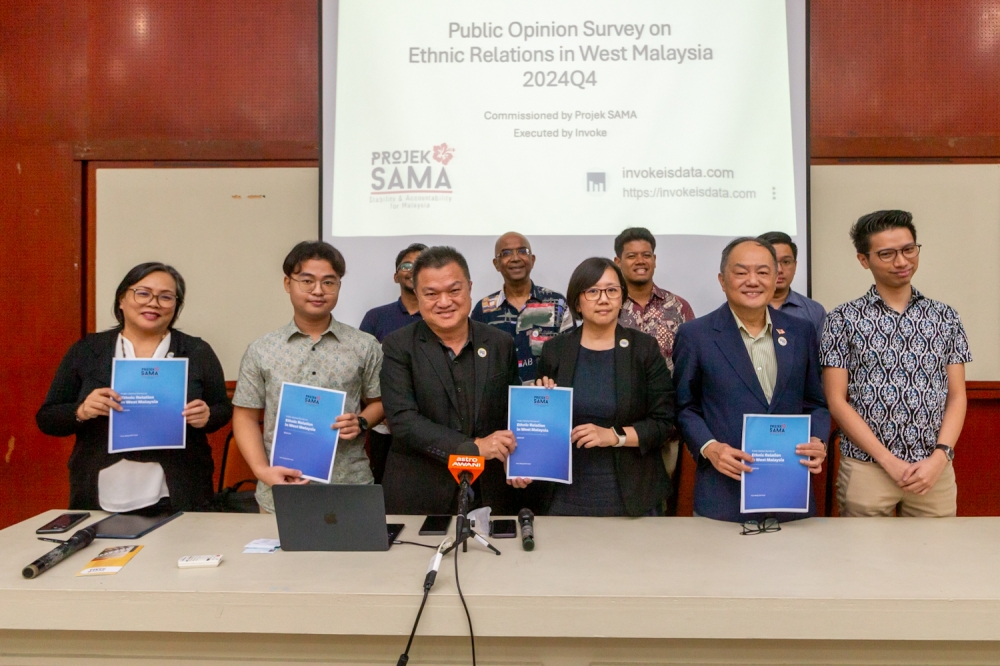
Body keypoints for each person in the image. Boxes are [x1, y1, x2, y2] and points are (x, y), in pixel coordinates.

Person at [36, 262, 231, 512]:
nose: (153, 303)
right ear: (121, 300)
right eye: (143, 293)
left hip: (180, 489)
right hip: (100, 488)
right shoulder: (87, 351)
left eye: (166, 297)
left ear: (176, 306)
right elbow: (47, 418)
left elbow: (222, 410)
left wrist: (207, 416)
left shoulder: (196, 352)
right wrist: (82, 411)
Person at [821, 210, 970, 517]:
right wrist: (887, 460)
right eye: (887, 254)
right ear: (864, 260)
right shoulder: (842, 319)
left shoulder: (946, 316)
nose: (901, 262)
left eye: (908, 249)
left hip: (933, 470)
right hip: (867, 468)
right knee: (865, 563)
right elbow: (836, 401)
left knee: (936, 562)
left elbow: (957, 396)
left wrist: (940, 458)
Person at [673, 238, 830, 523]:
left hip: (790, 494)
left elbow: (816, 402)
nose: (753, 281)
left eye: (763, 272)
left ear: (775, 277)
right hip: (723, 494)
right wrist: (710, 447)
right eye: (741, 272)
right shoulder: (696, 335)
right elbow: (685, 407)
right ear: (722, 280)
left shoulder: (800, 331)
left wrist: (818, 439)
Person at [231, 241, 384, 514]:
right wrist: (262, 472)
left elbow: (380, 402)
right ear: (287, 283)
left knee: (354, 559)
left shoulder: (365, 345)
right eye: (307, 281)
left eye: (329, 282)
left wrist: (361, 421)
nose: (318, 290)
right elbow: (244, 416)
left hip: (348, 485)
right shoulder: (262, 349)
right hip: (281, 488)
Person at [380, 246, 528, 515]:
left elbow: (511, 410)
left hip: (489, 491)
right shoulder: (398, 346)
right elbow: (403, 420)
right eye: (431, 293)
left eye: (454, 290)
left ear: (469, 287)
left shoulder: (499, 343)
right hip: (422, 491)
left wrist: (521, 458)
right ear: (417, 293)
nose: (444, 301)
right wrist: (472, 448)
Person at [534, 257, 674, 517]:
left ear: (622, 298)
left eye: (612, 290)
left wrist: (614, 436)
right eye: (593, 291)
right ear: (577, 301)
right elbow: (542, 424)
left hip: (632, 493)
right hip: (565, 492)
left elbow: (664, 422)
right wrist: (542, 400)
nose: (603, 299)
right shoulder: (556, 350)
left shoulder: (643, 349)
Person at [613, 226, 695, 489]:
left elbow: (690, 367)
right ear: (618, 262)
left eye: (646, 254)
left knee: (664, 505)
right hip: (617, 429)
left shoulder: (678, 307)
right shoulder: (607, 306)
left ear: (654, 260)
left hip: (666, 428)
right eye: (631, 255)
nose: (640, 261)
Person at [359, 242, 426, 484]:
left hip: (430, 424)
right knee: (384, 488)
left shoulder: (442, 315)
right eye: (406, 265)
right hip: (383, 425)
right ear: (396, 275)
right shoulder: (375, 317)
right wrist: (386, 414)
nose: (412, 270)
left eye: (420, 264)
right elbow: (363, 370)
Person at [471, 232, 574, 384]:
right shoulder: (484, 309)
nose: (515, 258)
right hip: (498, 403)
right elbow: (475, 364)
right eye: (506, 253)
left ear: (532, 260)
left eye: (522, 251)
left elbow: (570, 357)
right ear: (496, 264)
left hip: (546, 399)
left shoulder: (557, 303)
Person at [757, 231, 827, 347]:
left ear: (795, 266)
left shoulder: (814, 311)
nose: (779, 269)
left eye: (786, 262)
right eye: (772, 262)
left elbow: (821, 359)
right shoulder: (746, 308)